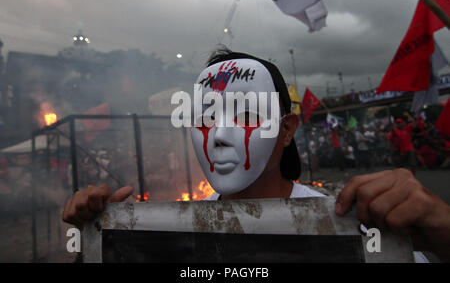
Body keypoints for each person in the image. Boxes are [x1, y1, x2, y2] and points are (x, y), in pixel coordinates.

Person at [62, 49, 450, 262]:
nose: (219, 136)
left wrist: (442, 230)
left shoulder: (359, 230)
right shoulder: (174, 232)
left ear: (286, 129)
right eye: (206, 118)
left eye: (246, 114)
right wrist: (95, 241)